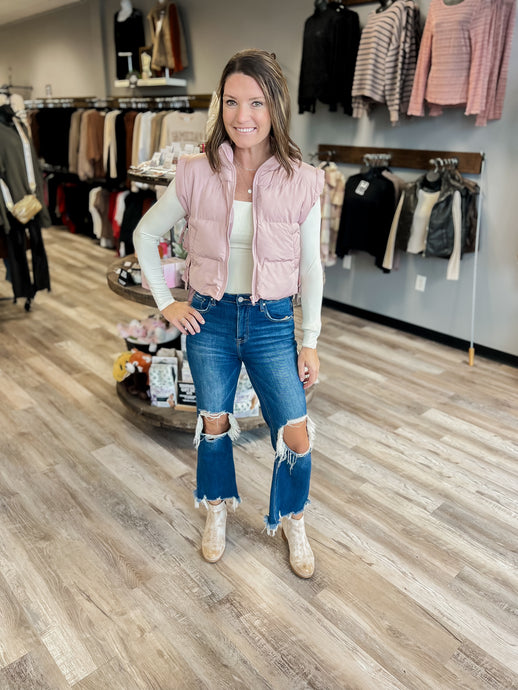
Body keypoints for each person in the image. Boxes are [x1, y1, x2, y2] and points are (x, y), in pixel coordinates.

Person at [133, 49, 324, 578]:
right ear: (221, 105)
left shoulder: (302, 180)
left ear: (275, 106)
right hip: (210, 320)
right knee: (213, 421)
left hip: (271, 322)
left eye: (257, 102)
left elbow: (311, 267)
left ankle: (292, 517)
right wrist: (164, 301)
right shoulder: (195, 172)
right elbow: (145, 234)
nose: (244, 116)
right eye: (233, 102)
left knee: (295, 428)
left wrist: (310, 338)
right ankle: (215, 510)